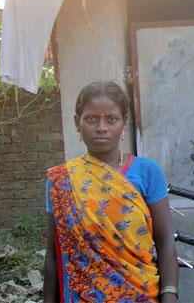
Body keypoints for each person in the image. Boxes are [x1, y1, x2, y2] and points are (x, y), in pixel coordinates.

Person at [43, 81, 178, 303]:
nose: (102, 127)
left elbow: (165, 242)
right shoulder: (61, 181)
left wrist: (170, 294)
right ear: (78, 123)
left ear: (123, 123)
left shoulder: (147, 172)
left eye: (111, 119)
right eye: (92, 119)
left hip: (140, 295)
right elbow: (53, 253)